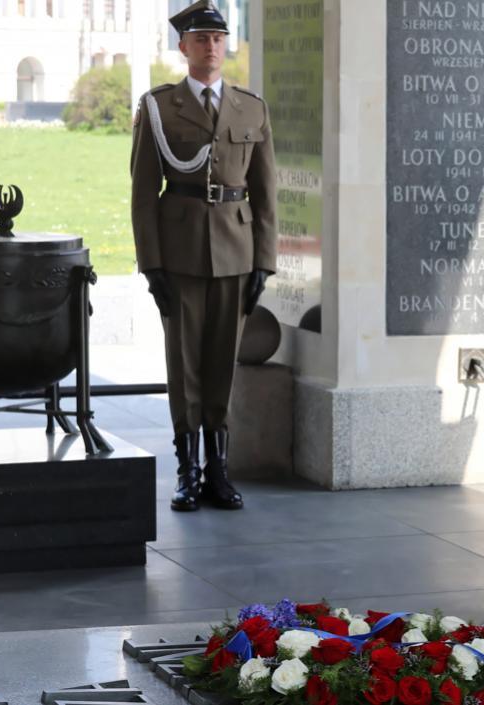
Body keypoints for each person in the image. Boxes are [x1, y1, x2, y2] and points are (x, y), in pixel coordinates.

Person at [130, 0, 276, 512]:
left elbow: (266, 192)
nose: (210, 46)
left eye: (218, 38)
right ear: (183, 47)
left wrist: (265, 261)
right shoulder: (157, 106)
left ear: (226, 45)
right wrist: (151, 265)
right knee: (185, 363)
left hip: (236, 251)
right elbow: (143, 194)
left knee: (222, 364)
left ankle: (219, 470)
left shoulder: (251, 107)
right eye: (200, 39)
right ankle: (187, 471)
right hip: (181, 253)